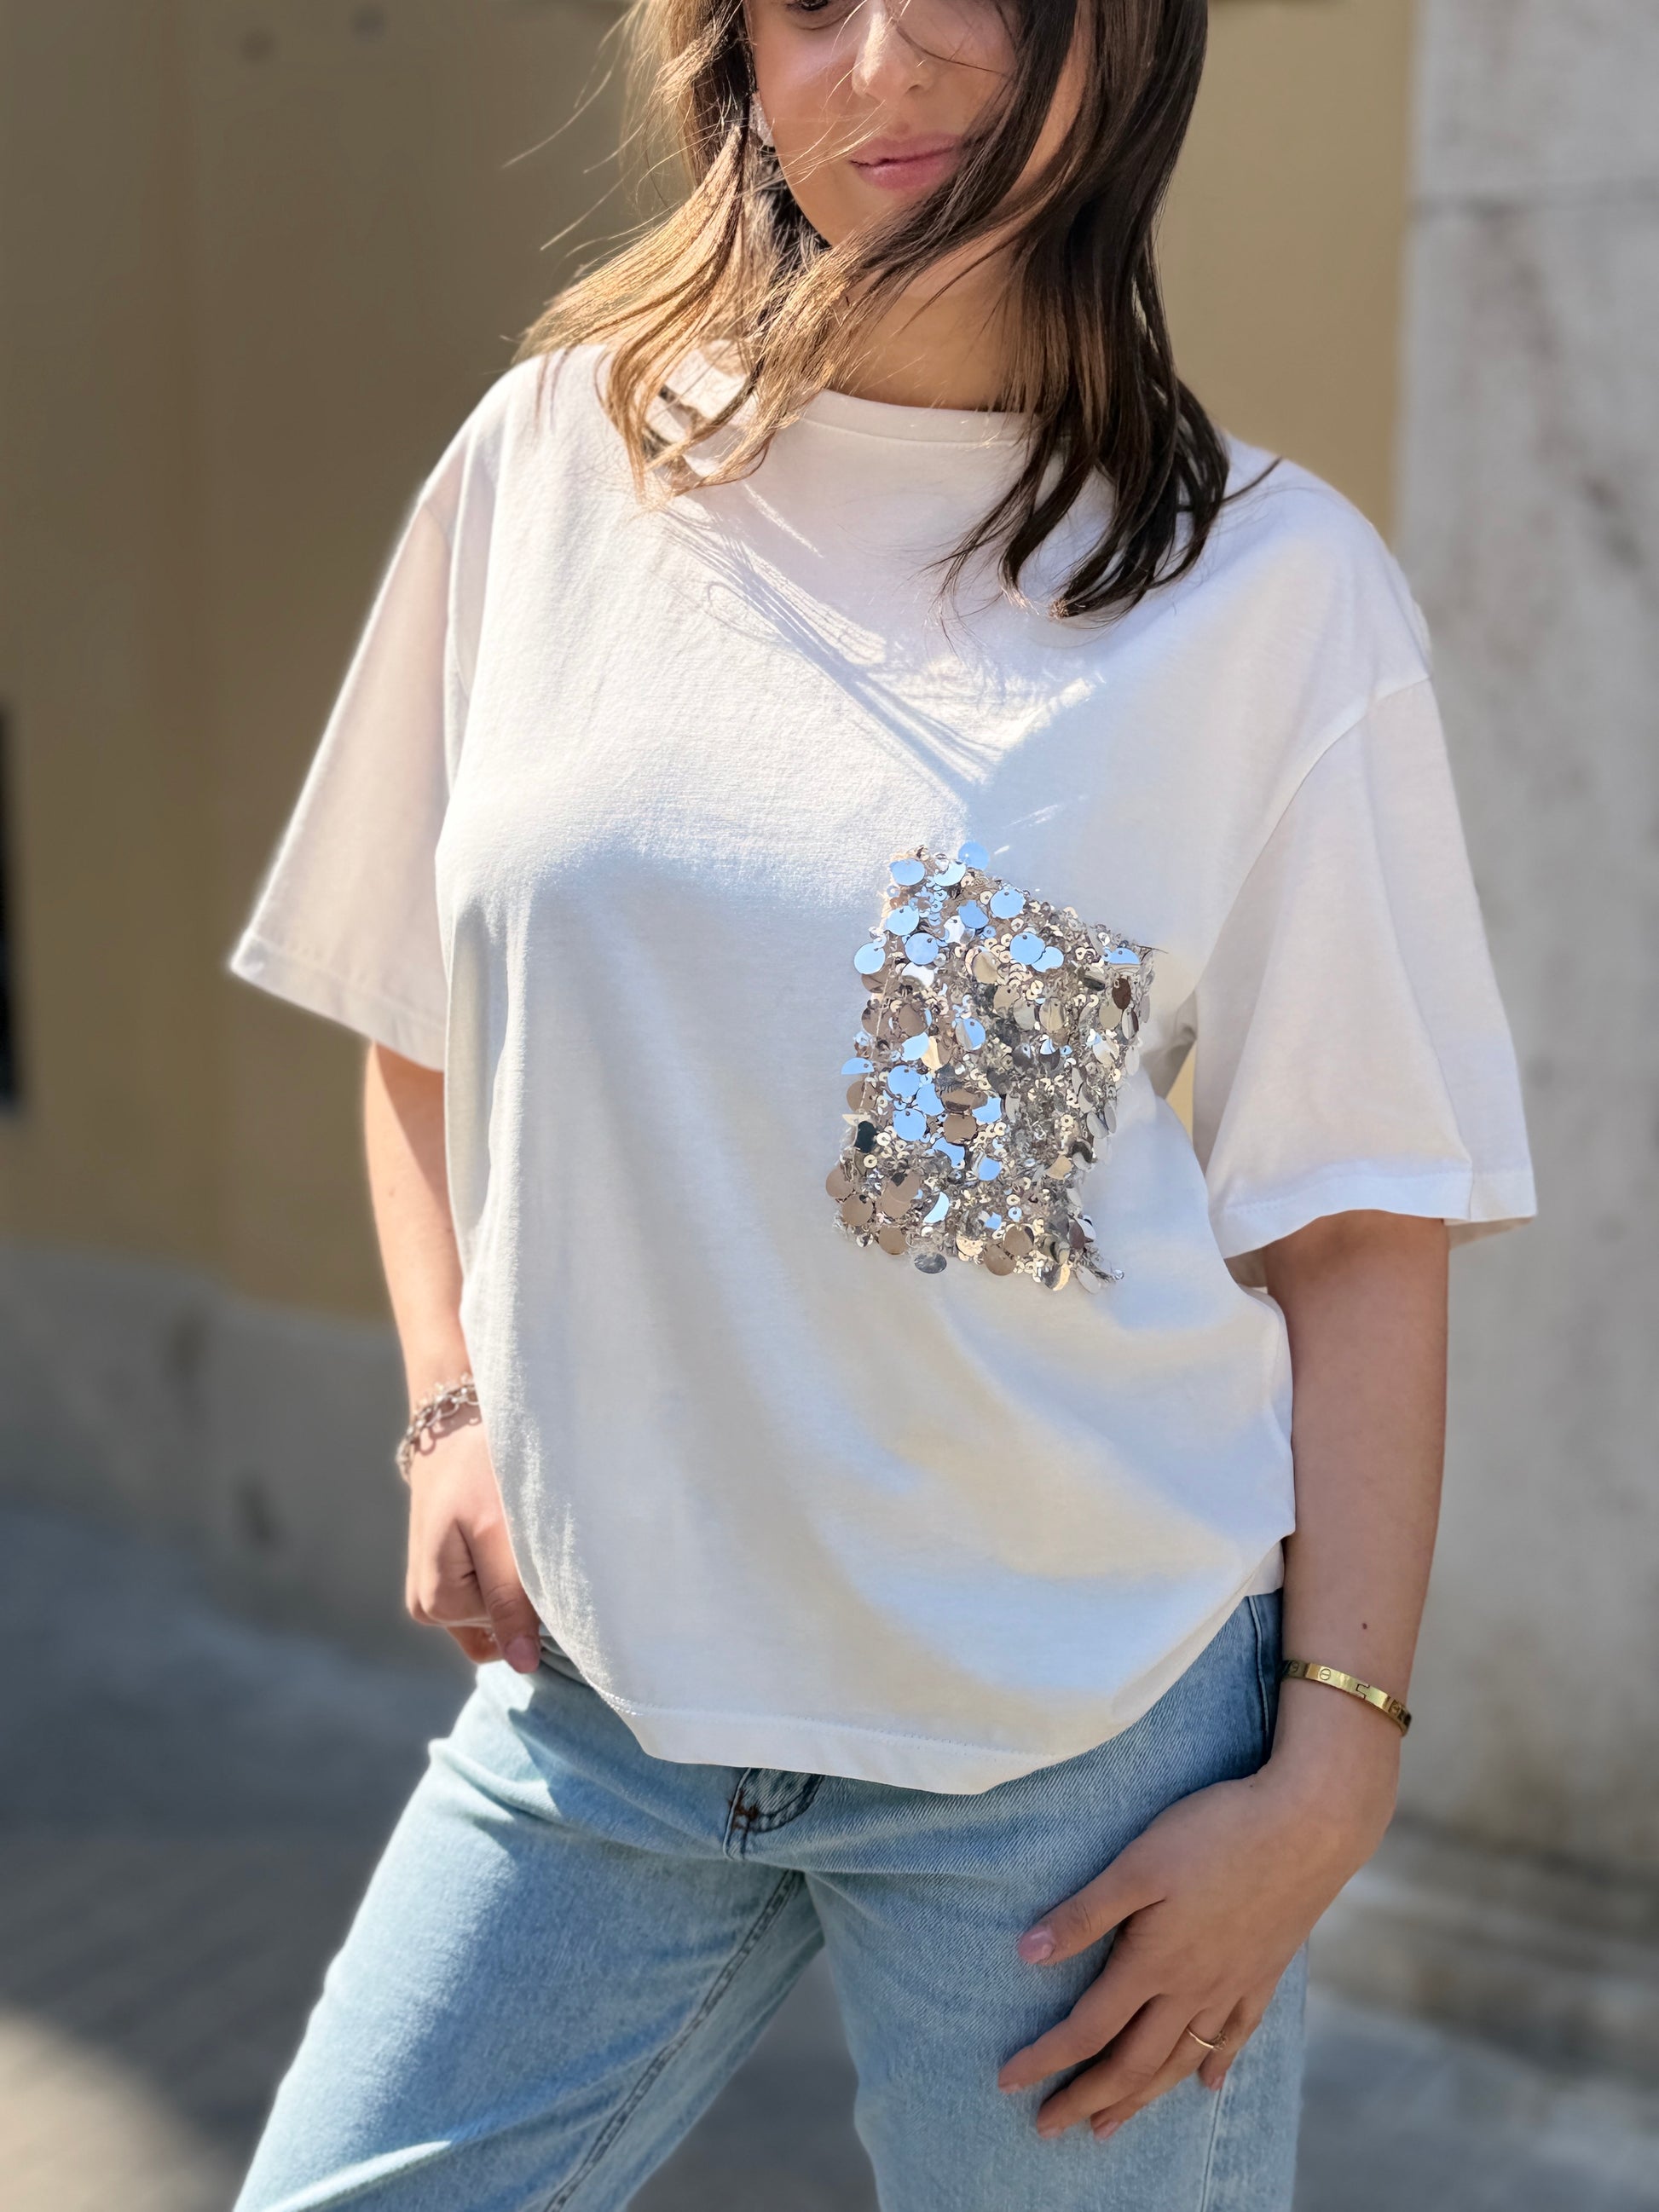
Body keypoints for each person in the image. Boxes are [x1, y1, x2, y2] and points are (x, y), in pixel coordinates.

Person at [227, 0, 1534, 2204]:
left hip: (1073, 1761)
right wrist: (449, 1408)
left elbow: (1354, 1229)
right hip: (606, 1708)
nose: (887, 60)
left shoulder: (1265, 589)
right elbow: (419, 1007)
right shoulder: (552, 471)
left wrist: (1330, 1776)